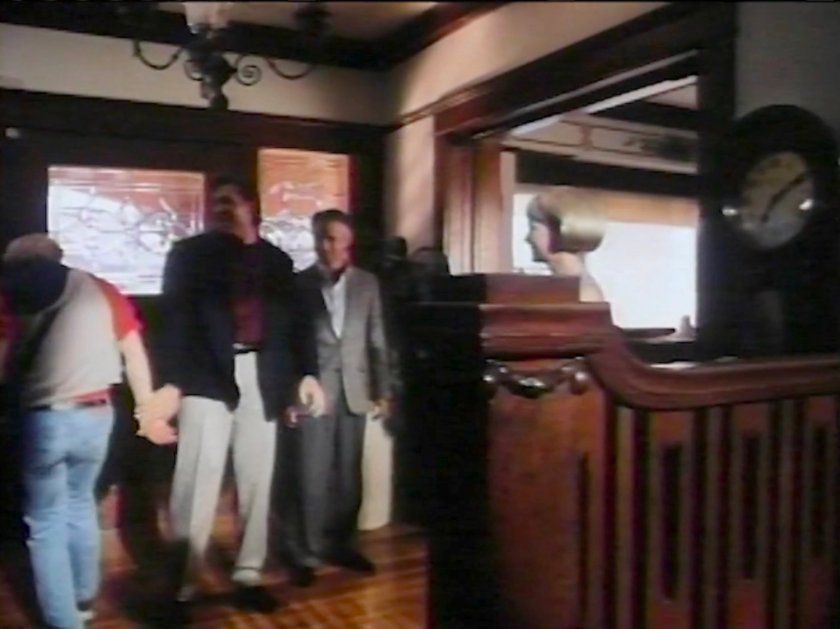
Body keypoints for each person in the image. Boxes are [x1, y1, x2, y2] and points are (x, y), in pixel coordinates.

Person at [136, 175, 325, 613]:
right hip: (205, 376)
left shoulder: (277, 261)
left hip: (265, 375)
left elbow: (299, 325)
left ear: (250, 206)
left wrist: (306, 375)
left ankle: (248, 573)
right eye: (214, 202)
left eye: (229, 201)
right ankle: (181, 584)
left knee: (258, 479)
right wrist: (174, 382)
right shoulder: (189, 255)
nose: (220, 209)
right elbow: (173, 323)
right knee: (196, 479)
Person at [0, 233, 176, 629]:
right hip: (97, 415)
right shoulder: (101, 288)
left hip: (43, 421)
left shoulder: (12, 291)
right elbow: (133, 352)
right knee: (81, 503)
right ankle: (83, 599)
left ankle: (64, 621)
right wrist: (148, 411)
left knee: (45, 520)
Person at [278, 209, 391, 587]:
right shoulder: (298, 285)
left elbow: (377, 341)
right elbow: (287, 346)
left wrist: (383, 390)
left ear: (349, 242)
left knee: (348, 475)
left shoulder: (368, 284)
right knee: (309, 473)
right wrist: (290, 393)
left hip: (356, 392)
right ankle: (304, 551)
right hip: (315, 393)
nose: (328, 246)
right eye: (322, 238)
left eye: (335, 238)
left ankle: (341, 544)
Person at [524, 187, 606, 302]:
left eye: (534, 228)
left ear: (556, 230)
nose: (528, 239)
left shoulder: (579, 293)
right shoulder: (575, 287)